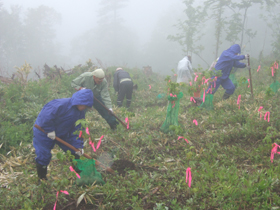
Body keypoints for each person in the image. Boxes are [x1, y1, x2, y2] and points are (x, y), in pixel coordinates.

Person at [33, 89, 94, 180]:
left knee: (74, 151)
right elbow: (45, 117)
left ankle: (79, 175)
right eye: (83, 105)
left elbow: (78, 129)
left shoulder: (80, 113)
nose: (84, 108)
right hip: (43, 131)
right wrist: (49, 130)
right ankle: (42, 179)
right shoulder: (60, 104)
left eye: (86, 106)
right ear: (78, 102)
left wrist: (78, 146)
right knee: (43, 155)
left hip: (63, 132)